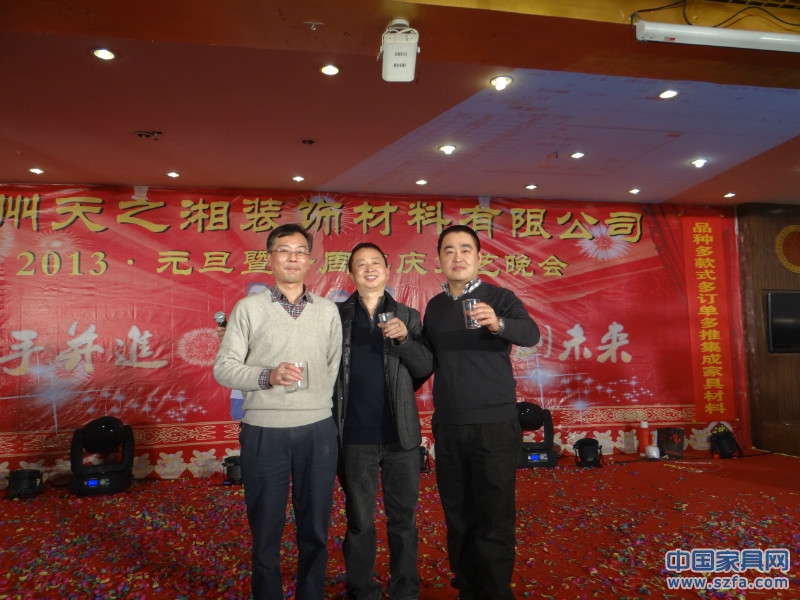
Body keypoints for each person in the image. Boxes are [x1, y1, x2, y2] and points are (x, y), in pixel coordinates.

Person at [213, 223, 342, 600]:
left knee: (315, 528)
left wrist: (315, 403)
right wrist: (267, 376)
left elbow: (332, 368)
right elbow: (224, 368)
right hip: (264, 431)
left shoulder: (327, 311)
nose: (292, 257)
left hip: (318, 430)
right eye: (284, 250)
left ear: (309, 260)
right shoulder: (248, 308)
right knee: (266, 529)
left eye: (300, 251)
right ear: (269, 258)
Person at [422, 224, 540, 600]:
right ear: (439, 259)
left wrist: (499, 323)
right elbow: (427, 360)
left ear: (479, 257)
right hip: (449, 424)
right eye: (449, 250)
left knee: (494, 517)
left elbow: (531, 333)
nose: (457, 257)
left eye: (465, 250)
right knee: (458, 516)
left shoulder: (499, 297)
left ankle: (495, 592)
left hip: (494, 424)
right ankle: (468, 588)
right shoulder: (435, 307)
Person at [334, 242, 433, 600]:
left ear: (388, 270)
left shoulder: (408, 315)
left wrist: (405, 340)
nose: (369, 268)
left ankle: (405, 588)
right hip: (354, 436)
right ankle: (362, 589)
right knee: (359, 520)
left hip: (400, 435)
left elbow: (425, 366)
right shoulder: (335, 316)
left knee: (403, 519)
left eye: (375, 262)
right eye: (361, 264)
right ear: (352, 273)